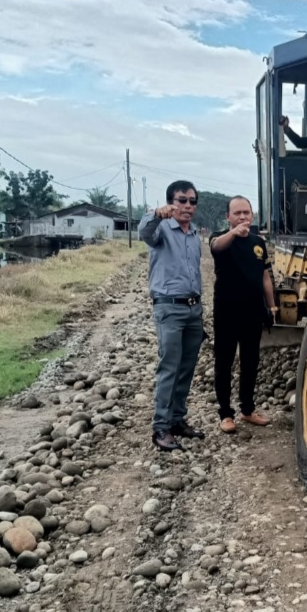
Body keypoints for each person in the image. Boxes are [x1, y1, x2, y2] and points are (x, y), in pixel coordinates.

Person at [137, 180, 206, 452]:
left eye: (191, 201)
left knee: (187, 368)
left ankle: (177, 420)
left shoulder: (193, 235)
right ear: (171, 202)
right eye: (181, 200)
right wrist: (156, 213)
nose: (187, 206)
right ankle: (161, 428)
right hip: (169, 308)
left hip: (193, 309)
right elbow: (144, 231)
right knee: (169, 367)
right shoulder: (162, 229)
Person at [209, 195, 277, 433]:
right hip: (227, 311)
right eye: (237, 213)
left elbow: (265, 276)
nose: (242, 217)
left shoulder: (259, 243)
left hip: (253, 312)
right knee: (224, 362)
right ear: (228, 217)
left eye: (246, 213)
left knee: (251, 362)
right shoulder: (220, 239)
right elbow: (217, 247)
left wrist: (272, 306)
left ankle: (247, 410)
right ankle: (226, 414)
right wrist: (234, 233)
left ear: (252, 215)